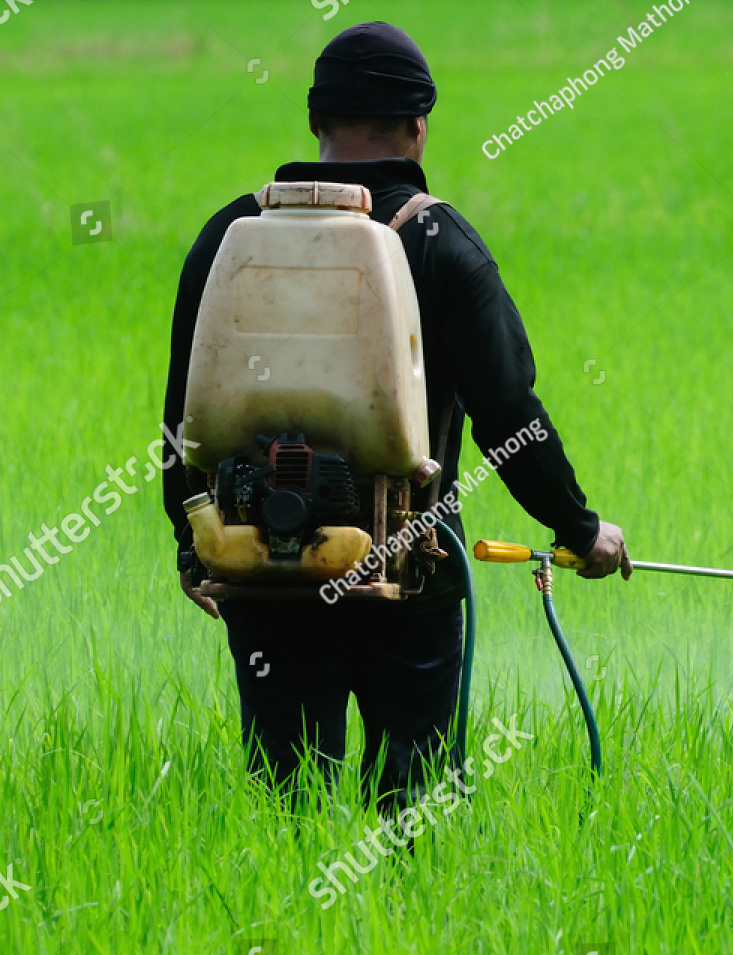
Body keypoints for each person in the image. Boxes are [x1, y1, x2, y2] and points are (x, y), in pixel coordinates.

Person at [161, 22, 629, 813]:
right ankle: (406, 927)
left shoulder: (230, 239)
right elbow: (508, 415)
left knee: (288, 805)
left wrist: (191, 542)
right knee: (410, 809)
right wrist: (579, 530)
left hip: (263, 566)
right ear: (419, 128)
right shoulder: (442, 243)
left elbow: (183, 419)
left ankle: (290, 928)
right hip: (410, 570)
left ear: (315, 120)